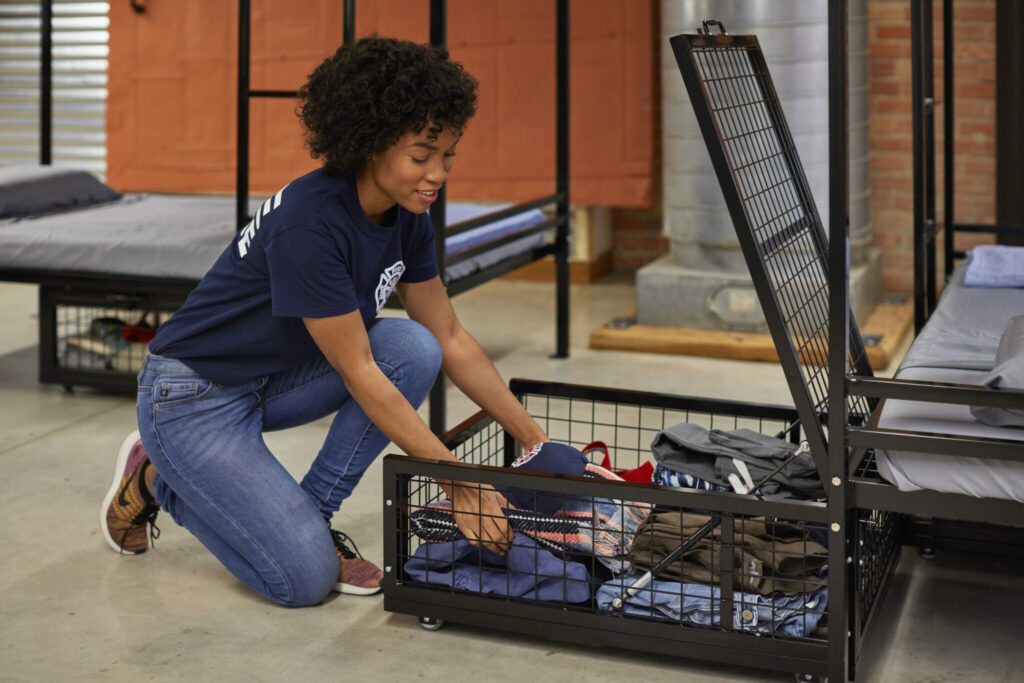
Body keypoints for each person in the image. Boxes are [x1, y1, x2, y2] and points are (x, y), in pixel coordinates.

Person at [99, 37, 550, 607]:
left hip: (274, 378)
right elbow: (359, 371)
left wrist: (536, 442)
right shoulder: (311, 223)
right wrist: (456, 479)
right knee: (302, 584)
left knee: (412, 345)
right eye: (420, 156)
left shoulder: (406, 211)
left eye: (448, 156)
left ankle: (311, 520)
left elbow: (450, 337)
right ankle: (158, 478)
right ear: (370, 145)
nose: (436, 174)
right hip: (192, 398)